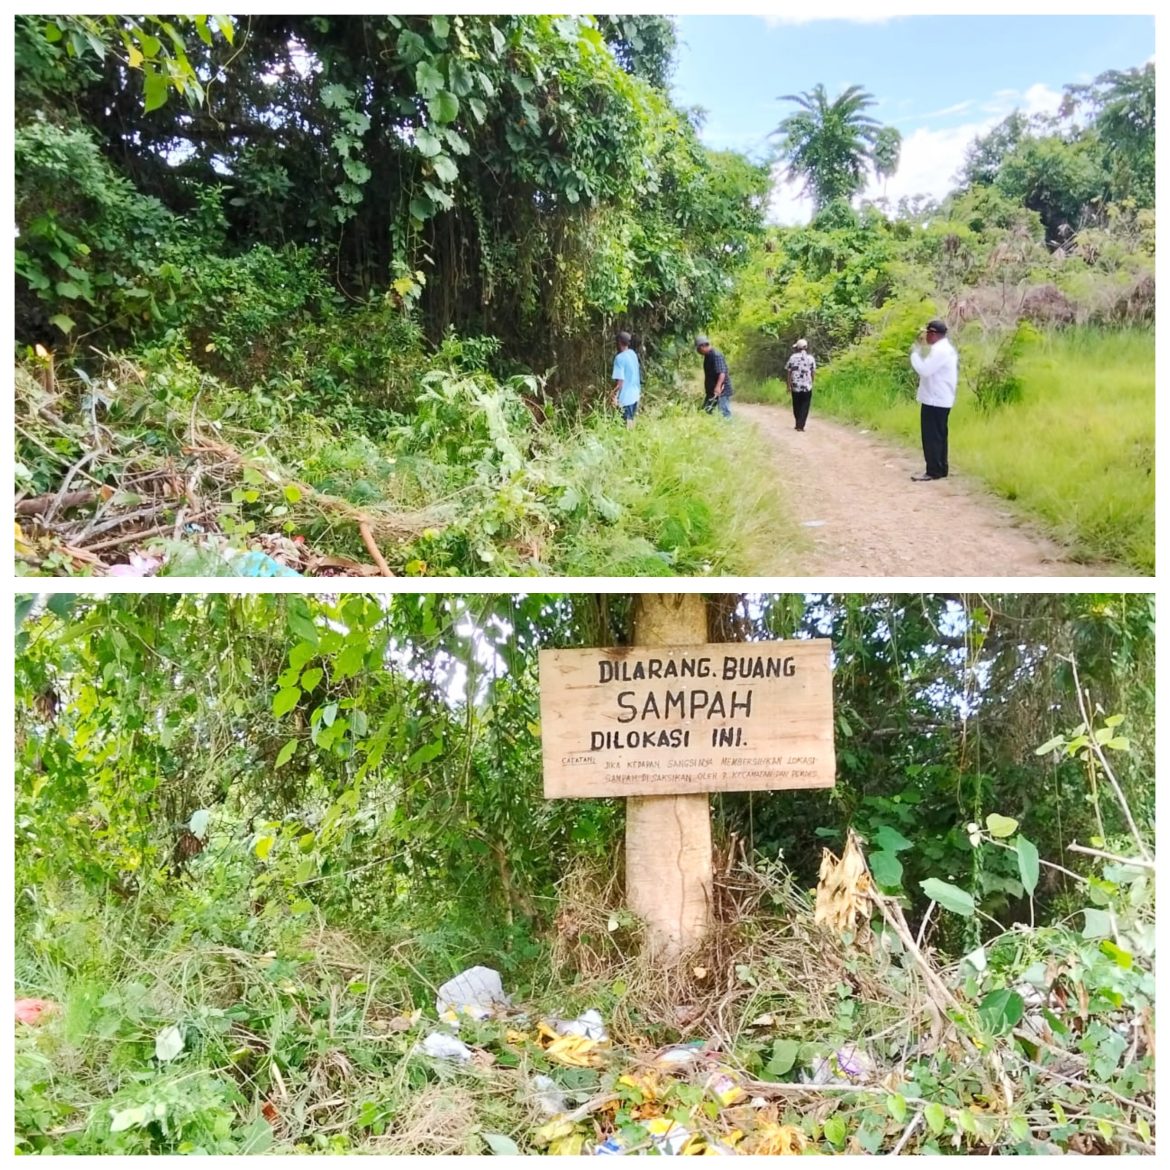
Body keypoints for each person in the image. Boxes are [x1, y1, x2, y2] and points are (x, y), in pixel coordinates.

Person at [910, 318, 958, 481]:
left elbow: (924, 370)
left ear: (934, 334)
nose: (926, 337)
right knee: (939, 435)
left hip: (935, 399)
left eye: (928, 333)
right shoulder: (945, 349)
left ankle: (933, 470)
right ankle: (941, 467)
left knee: (931, 436)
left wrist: (914, 354)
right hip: (941, 398)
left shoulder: (940, 350)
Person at [695, 334, 733, 418]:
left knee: (724, 412)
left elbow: (722, 372)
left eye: (698, 349)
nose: (698, 351)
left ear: (702, 346)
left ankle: (729, 429)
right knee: (705, 411)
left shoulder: (716, 355)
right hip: (712, 391)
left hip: (721, 390)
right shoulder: (708, 356)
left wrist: (718, 387)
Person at [611, 330, 641, 428]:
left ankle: (629, 441)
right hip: (636, 394)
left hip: (626, 397)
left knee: (626, 425)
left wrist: (614, 396)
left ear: (619, 342)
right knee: (631, 420)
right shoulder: (633, 354)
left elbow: (620, 381)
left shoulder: (619, 359)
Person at [784, 338, 816, 431]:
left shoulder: (793, 358)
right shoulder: (811, 358)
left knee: (796, 405)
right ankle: (800, 425)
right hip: (807, 386)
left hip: (795, 386)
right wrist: (812, 382)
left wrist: (788, 385)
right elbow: (813, 372)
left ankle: (798, 423)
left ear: (797, 348)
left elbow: (789, 372)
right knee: (805, 406)